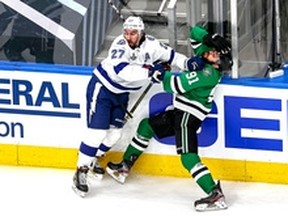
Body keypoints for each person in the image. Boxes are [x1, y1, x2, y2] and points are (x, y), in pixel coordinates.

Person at [72, 16, 207, 197]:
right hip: (103, 89)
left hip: (121, 94)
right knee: (97, 133)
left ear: (141, 33)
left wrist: (187, 63)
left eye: (133, 33)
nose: (128, 36)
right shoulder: (120, 45)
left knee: (114, 135)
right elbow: (124, 71)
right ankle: (81, 170)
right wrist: (151, 72)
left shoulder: (152, 45)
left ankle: (93, 158)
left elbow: (172, 56)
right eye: (126, 32)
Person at [106, 24, 232, 212]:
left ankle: (215, 193)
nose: (214, 53)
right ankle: (124, 166)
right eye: (211, 50)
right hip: (180, 112)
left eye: (216, 53)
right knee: (146, 126)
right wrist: (208, 37)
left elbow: (175, 85)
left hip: (188, 117)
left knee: (188, 158)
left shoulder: (208, 73)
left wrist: (158, 72)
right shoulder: (203, 59)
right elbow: (194, 33)